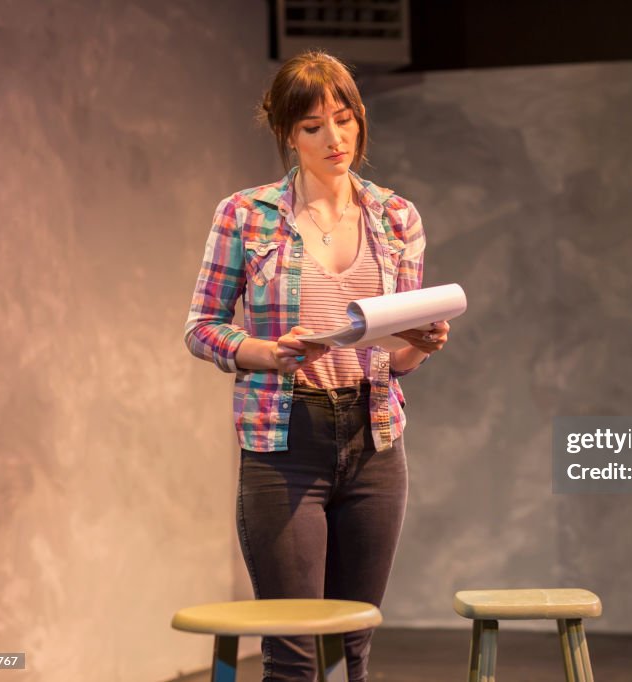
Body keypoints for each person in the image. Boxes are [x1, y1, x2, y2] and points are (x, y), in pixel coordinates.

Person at [183, 50, 450, 682]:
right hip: (285, 441)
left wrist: (421, 344)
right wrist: (268, 353)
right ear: (286, 134)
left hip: (375, 439)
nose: (335, 138)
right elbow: (201, 328)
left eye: (345, 118)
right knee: (297, 653)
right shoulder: (246, 215)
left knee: (351, 647)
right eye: (313, 126)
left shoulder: (395, 217)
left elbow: (396, 357)